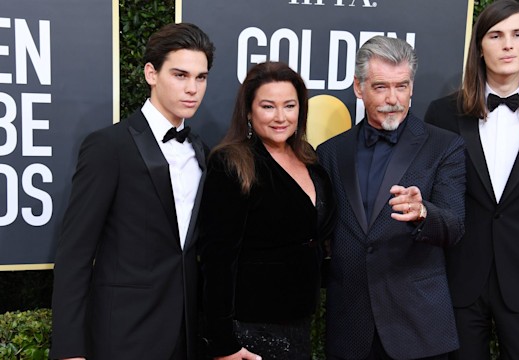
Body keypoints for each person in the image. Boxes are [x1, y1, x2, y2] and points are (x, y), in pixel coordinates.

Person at [50, 23, 214, 360]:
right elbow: (75, 255)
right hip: (124, 334)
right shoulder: (109, 146)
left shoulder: (202, 151)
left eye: (201, 77)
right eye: (180, 75)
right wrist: (69, 349)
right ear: (151, 74)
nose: (192, 89)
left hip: (186, 336)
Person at [424, 1, 519, 358]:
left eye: (517, 34)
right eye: (496, 35)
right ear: (479, 46)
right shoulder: (442, 114)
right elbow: (432, 208)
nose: (507, 44)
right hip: (459, 286)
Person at [316, 36, 466, 360]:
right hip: (350, 328)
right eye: (381, 87)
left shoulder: (444, 146)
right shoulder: (330, 152)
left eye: (401, 86)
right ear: (359, 87)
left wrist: (424, 212)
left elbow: (454, 226)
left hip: (417, 328)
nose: (393, 99)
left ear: (412, 87)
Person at [198, 61, 335, 360]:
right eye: (268, 106)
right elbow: (217, 258)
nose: (281, 117)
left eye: (290, 105)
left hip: (299, 322)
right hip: (249, 329)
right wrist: (223, 343)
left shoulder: (310, 159)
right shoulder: (232, 163)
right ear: (248, 111)